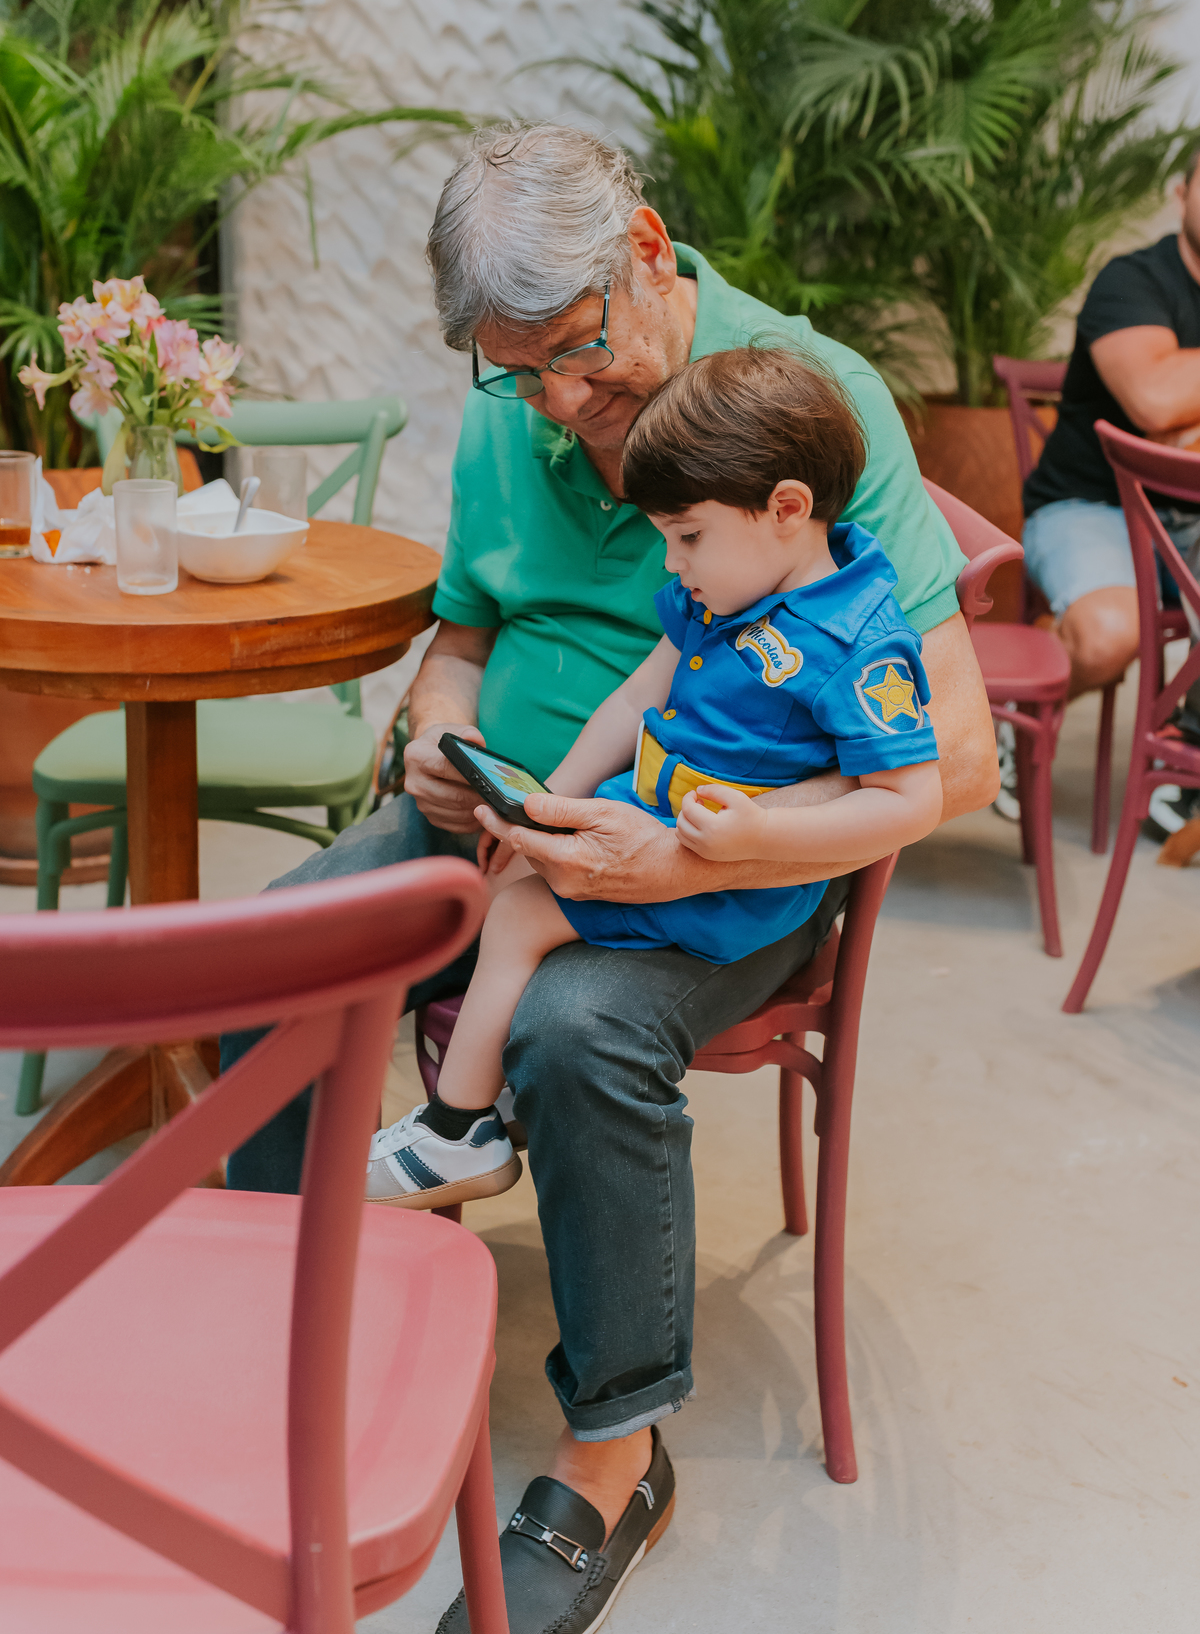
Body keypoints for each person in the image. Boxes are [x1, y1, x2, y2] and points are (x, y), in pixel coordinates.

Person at [220, 125, 998, 1634]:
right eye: (518, 375)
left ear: (647, 251)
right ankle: (309, 1337)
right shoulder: (513, 412)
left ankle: (613, 1454)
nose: (563, 405)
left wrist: (695, 843)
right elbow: (461, 636)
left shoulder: (802, 398)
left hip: (725, 854)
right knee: (282, 951)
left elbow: (952, 761)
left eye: (580, 353)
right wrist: (443, 734)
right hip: (512, 813)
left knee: (577, 1027)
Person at [367, 345, 942, 1218]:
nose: (672, 564)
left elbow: (911, 799)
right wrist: (548, 802)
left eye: (688, 537)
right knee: (507, 884)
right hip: (651, 817)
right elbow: (639, 697)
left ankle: (457, 1133)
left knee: (516, 915)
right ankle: (498, 1102)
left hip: (734, 882)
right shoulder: (727, 591)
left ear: (787, 509)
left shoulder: (859, 645)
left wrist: (758, 835)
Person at [1022, 149, 1200, 693]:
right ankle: (1011, 719)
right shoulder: (1131, 280)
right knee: (1108, 635)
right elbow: (1155, 400)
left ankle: (1183, 741)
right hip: (1091, 505)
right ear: (1181, 195)